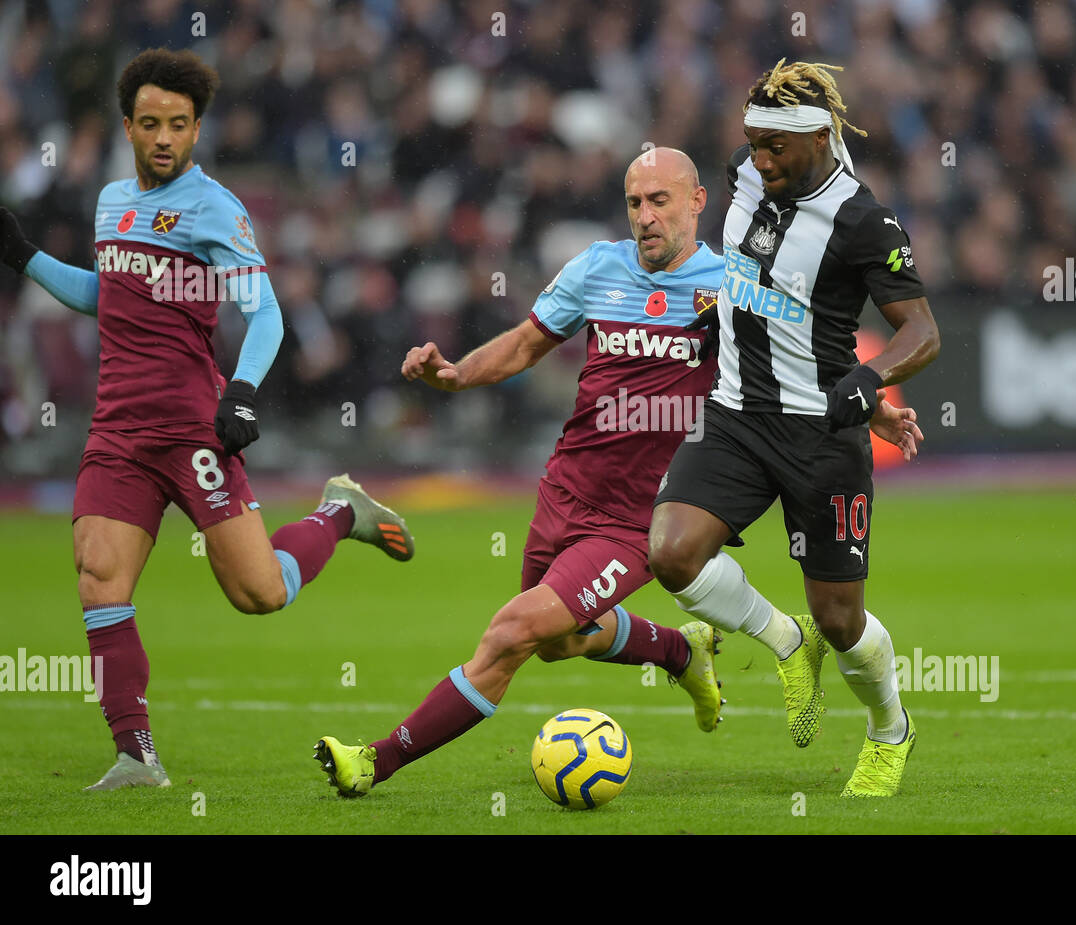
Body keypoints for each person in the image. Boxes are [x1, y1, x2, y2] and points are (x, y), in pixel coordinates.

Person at [0, 48, 415, 790]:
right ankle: (136, 755)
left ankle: (337, 513)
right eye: (151, 123)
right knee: (99, 578)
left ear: (197, 130)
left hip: (194, 427)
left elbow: (266, 311)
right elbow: (110, 295)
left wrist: (243, 390)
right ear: (127, 125)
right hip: (118, 432)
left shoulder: (215, 208)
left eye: (180, 125)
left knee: (260, 593)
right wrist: (26, 257)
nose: (165, 138)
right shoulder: (110, 201)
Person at [313, 148, 729, 796]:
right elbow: (528, 341)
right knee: (559, 641)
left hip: (634, 521)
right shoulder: (598, 267)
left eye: (660, 201)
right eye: (634, 203)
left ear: (697, 201)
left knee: (510, 632)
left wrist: (862, 408)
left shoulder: (729, 290)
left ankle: (373, 760)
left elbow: (788, 372)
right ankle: (681, 650)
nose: (645, 217)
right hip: (565, 491)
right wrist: (455, 373)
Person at [648, 60, 939, 797]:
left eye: (775, 147)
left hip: (822, 434)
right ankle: (783, 639)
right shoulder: (748, 177)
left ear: (819, 139)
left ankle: (888, 729)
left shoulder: (863, 220)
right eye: (752, 143)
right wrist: (720, 306)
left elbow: (923, 331)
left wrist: (870, 386)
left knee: (842, 620)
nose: (760, 160)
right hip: (736, 415)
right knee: (673, 555)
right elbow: (764, 286)